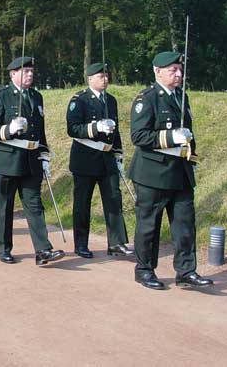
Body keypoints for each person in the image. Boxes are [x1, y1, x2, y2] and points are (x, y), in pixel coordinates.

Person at [128, 51, 213, 290]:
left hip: (180, 170)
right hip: (153, 172)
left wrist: (189, 151)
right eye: (172, 70)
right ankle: (145, 269)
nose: (178, 74)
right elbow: (139, 136)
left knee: (185, 224)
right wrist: (170, 137)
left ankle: (186, 270)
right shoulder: (147, 98)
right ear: (157, 71)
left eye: (179, 70)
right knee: (149, 225)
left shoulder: (181, 97)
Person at [0, 56, 64, 266]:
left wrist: (44, 154)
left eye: (31, 71)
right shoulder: (0, 95)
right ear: (13, 74)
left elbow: (40, 130)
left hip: (31, 160)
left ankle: (43, 250)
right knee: (4, 207)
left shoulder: (36, 97)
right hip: (7, 160)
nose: (30, 75)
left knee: (35, 205)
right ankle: (3, 248)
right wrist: (8, 130)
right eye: (25, 71)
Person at [66, 63, 132, 258]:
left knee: (114, 200)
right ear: (90, 79)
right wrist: (95, 128)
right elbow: (73, 128)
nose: (105, 79)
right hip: (85, 157)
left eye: (106, 75)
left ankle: (116, 242)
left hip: (107, 158)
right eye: (101, 76)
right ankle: (80, 244)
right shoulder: (79, 100)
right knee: (82, 204)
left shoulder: (111, 100)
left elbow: (115, 129)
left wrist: (118, 154)